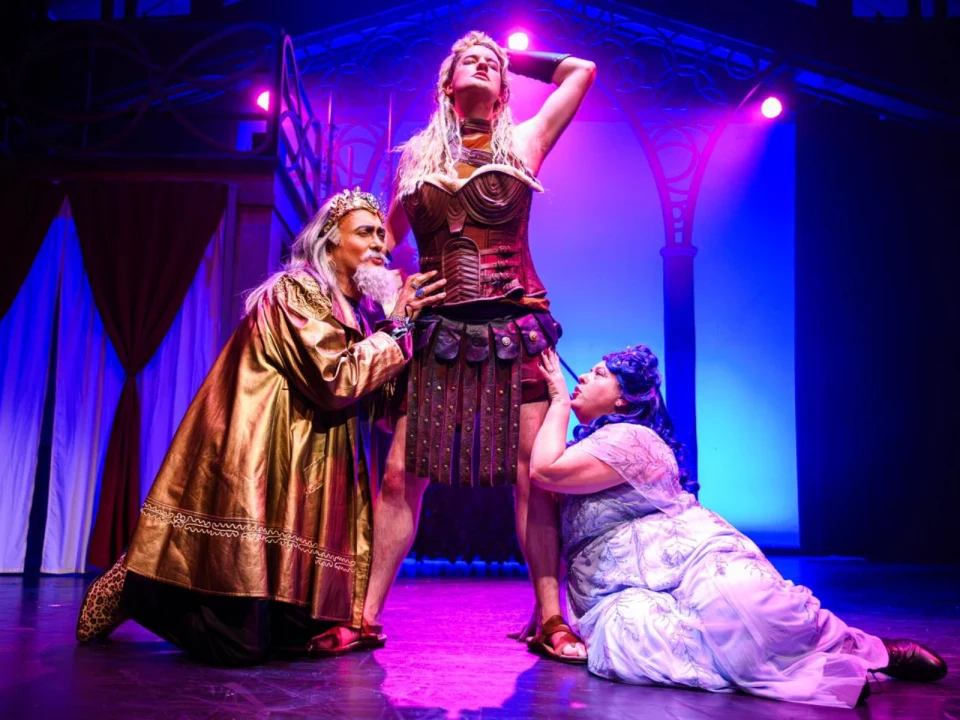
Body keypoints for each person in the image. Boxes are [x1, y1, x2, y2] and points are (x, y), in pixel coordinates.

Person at [75, 188, 446, 665]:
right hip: (261, 454)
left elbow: (372, 400)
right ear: (330, 242)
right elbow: (336, 379)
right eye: (366, 233)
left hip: (306, 473)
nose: (380, 245)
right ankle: (138, 586)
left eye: (382, 235)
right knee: (240, 649)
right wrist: (397, 327)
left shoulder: (358, 312)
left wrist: (417, 332)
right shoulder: (294, 291)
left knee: (293, 639)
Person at [327, 30, 597, 664]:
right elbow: (376, 246)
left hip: (515, 327)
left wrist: (510, 54)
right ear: (447, 85)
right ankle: (365, 618)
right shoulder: (417, 160)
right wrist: (390, 294)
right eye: (468, 61)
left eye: (492, 67)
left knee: (537, 476)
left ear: (504, 91)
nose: (482, 65)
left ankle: (550, 618)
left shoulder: (525, 140)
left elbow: (581, 71)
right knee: (400, 477)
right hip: (439, 336)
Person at [528, 344, 947, 707]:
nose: (582, 375)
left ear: (624, 400)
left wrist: (559, 401)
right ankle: (824, 672)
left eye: (599, 373)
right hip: (615, 586)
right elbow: (542, 473)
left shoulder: (634, 438)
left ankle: (868, 652)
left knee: (738, 606)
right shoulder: (585, 446)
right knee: (637, 642)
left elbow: (544, 470)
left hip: (687, 561)